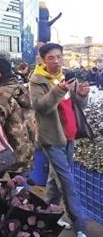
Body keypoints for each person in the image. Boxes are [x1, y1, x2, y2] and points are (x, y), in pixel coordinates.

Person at [29, 43, 89, 236]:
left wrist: (82, 96)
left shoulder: (65, 77)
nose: (56, 61)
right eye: (51, 58)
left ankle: (46, 214)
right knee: (67, 181)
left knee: (56, 180)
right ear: (43, 60)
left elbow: (75, 106)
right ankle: (80, 226)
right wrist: (58, 90)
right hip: (52, 138)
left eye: (59, 57)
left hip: (69, 136)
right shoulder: (37, 81)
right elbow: (40, 106)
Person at [0, 57, 37, 173]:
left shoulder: (0, 95)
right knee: (21, 182)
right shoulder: (20, 88)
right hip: (27, 152)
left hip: (8, 157)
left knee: (5, 184)